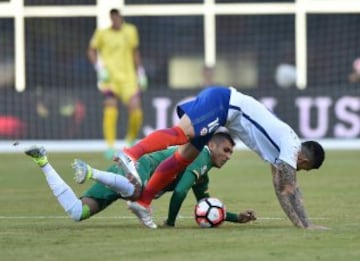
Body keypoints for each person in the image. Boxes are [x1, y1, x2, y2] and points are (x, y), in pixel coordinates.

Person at [116, 85, 327, 230]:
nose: (298, 172)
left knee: (185, 157)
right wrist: (306, 225)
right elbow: (290, 188)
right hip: (224, 103)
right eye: (303, 170)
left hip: (224, 111)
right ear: (304, 162)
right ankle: (131, 154)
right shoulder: (291, 146)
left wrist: (302, 225)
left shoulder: (282, 150)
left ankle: (143, 202)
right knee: (182, 133)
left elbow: (280, 188)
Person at [24, 132, 256, 228]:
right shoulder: (201, 156)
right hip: (143, 166)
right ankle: (99, 171)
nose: (228, 156)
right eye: (226, 150)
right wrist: (170, 224)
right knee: (139, 195)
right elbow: (179, 192)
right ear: (212, 145)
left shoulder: (203, 173)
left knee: (78, 212)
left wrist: (236, 218)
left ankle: (42, 161)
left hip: (126, 175)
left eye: (231, 153)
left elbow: (204, 202)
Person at [87, 8, 147, 159]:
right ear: (110, 18)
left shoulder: (131, 31)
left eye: (118, 18)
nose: (116, 21)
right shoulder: (102, 33)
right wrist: (99, 67)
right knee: (110, 106)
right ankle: (110, 146)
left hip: (129, 78)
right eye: (113, 18)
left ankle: (130, 140)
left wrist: (140, 72)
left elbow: (135, 52)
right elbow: (91, 51)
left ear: (121, 18)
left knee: (135, 109)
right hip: (110, 78)